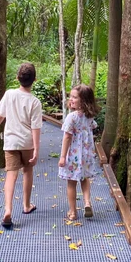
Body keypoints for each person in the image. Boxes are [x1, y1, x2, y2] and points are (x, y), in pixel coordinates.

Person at [0, 62, 43, 229]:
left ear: (17, 78)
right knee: (27, 171)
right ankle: (26, 205)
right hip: (27, 143)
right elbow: (35, 127)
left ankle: (8, 209)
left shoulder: (9, 94)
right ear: (34, 80)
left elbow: (0, 114)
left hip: (11, 142)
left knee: (11, 175)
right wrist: (36, 150)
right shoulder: (35, 102)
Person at [57, 84, 101, 221]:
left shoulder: (72, 117)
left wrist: (62, 156)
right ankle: (87, 202)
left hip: (73, 155)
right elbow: (91, 130)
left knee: (71, 183)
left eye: (74, 97)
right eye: (70, 96)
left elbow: (67, 137)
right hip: (86, 154)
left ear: (83, 101)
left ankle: (73, 211)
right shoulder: (89, 117)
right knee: (84, 178)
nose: (71, 99)